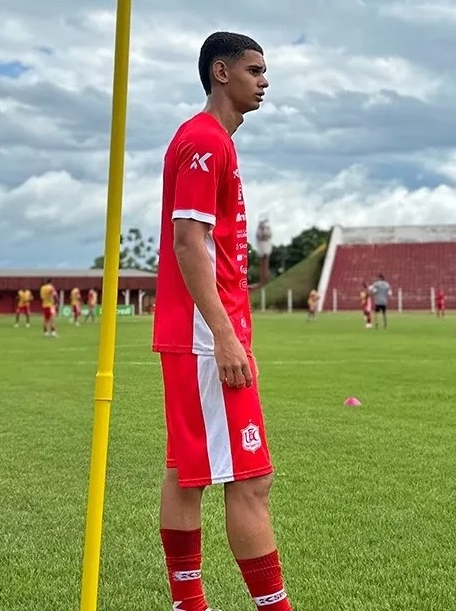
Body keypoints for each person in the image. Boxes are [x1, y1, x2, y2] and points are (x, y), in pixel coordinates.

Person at [152, 31, 292, 611]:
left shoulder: (207, 140)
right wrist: (226, 334)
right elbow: (189, 243)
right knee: (250, 480)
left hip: (201, 334)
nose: (264, 81)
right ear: (220, 73)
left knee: (188, 470)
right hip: (207, 337)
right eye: (254, 69)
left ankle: (189, 605)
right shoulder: (207, 142)